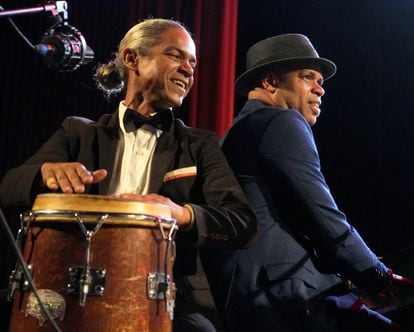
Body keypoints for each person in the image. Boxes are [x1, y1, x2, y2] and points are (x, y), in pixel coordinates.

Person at [0, 18, 257, 331]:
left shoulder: (200, 144)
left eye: (192, 62)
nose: (188, 70)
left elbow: (242, 223)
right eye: (175, 56)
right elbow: (9, 186)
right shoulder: (78, 133)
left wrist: (182, 214)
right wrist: (45, 173)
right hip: (73, 289)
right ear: (132, 58)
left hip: (171, 300)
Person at [202, 34, 408, 331]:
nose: (320, 89)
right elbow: (321, 213)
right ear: (270, 81)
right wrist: (375, 274)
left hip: (243, 297)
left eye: (320, 80)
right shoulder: (282, 121)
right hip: (288, 294)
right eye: (307, 77)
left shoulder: (235, 133)